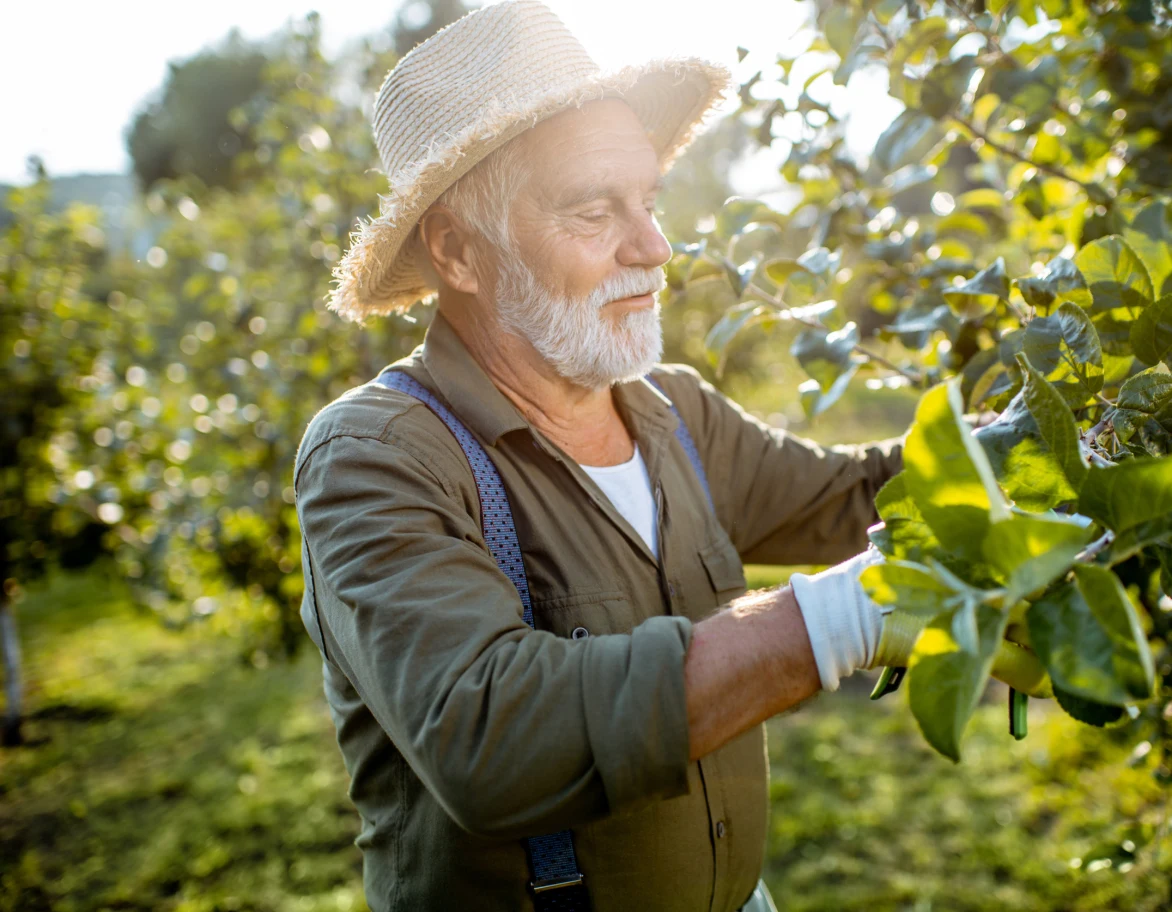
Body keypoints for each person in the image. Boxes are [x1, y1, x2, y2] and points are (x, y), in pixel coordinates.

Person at [294, 2, 898, 909]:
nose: (654, 247)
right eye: (593, 210)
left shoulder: (670, 412)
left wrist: (1070, 434)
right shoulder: (379, 456)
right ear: (458, 249)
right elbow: (492, 738)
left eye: (649, 202)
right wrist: (841, 619)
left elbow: (852, 496)